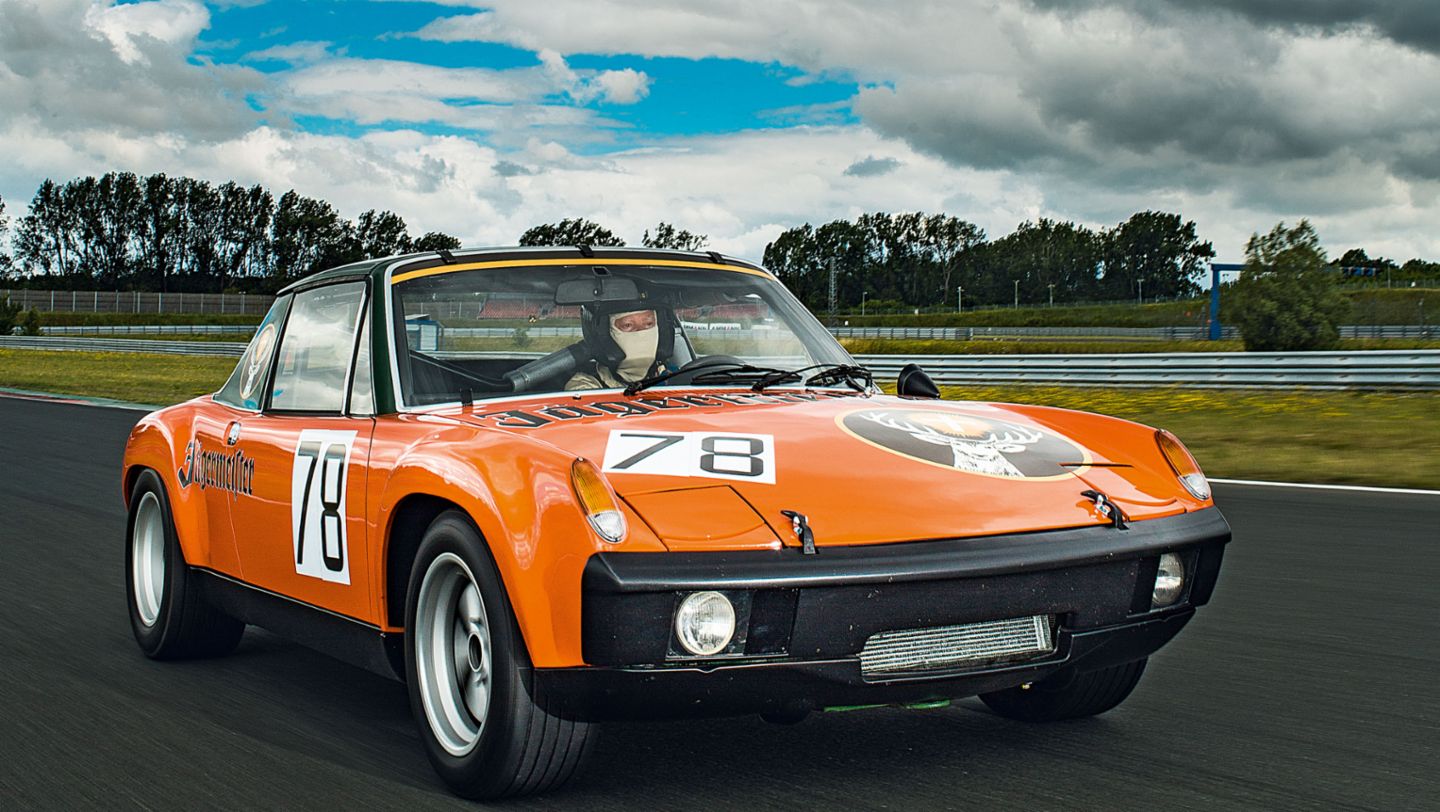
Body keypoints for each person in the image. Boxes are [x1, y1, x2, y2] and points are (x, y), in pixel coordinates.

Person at [565, 304, 674, 390]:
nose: (640, 333)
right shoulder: (584, 387)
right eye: (628, 325)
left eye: (649, 323)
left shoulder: (676, 377)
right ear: (606, 334)